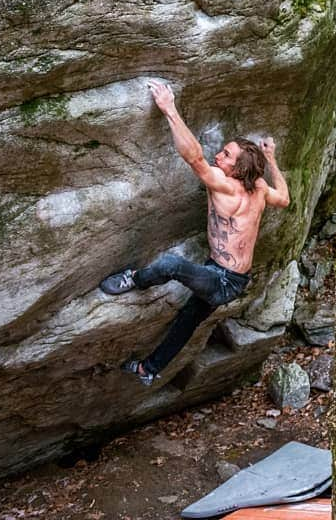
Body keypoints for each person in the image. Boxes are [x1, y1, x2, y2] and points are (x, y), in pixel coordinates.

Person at [100, 79, 290, 385]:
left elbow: (195, 157)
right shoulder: (260, 186)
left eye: (227, 155)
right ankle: (148, 369)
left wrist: (169, 109)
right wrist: (271, 159)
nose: (220, 156)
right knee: (187, 321)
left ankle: (134, 279)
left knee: (170, 265)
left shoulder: (229, 186)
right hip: (229, 276)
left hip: (225, 281)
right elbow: (285, 197)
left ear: (238, 169)